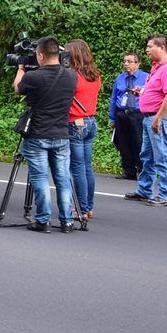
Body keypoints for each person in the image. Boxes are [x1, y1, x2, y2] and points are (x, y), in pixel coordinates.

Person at [14, 36, 79, 233]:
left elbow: (17, 88)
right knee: (62, 178)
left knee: (40, 178)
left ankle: (43, 220)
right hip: (61, 134)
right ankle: (67, 220)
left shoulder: (34, 77)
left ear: (40, 55)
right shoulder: (72, 76)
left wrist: (20, 69)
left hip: (37, 135)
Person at [125, 33, 167, 206]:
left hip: (160, 119)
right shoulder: (157, 66)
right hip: (150, 117)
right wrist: (143, 91)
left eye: (150, 46)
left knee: (163, 156)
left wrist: (158, 119)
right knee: (148, 156)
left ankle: (166, 195)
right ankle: (144, 190)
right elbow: (158, 91)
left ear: (162, 48)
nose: (147, 50)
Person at [65, 39, 101, 220]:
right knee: (87, 167)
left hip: (75, 122)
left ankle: (81, 208)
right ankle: (88, 207)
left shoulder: (72, 76)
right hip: (90, 120)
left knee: (77, 168)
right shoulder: (94, 75)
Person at [109, 52, 148, 180]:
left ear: (137, 63)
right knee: (123, 143)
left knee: (139, 142)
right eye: (124, 61)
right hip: (122, 114)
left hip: (137, 114)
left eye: (129, 61)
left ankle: (142, 170)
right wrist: (113, 117)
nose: (126, 64)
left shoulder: (146, 78)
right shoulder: (120, 78)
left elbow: (150, 96)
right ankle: (129, 171)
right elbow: (114, 98)